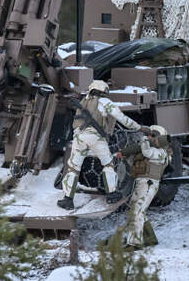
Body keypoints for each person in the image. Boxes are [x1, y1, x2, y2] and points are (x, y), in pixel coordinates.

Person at [57, 80, 141, 210]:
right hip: (96, 137)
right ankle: (112, 194)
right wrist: (138, 127)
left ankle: (67, 200)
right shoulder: (105, 102)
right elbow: (122, 118)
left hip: (79, 137)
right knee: (108, 164)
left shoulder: (83, 101)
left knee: (73, 168)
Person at [119, 125, 171, 249]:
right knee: (135, 209)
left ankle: (135, 243)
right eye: (150, 135)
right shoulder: (150, 148)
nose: (150, 137)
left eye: (153, 136)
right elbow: (138, 153)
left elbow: (146, 151)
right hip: (141, 183)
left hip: (149, 184)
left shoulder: (161, 152)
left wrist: (144, 139)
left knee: (137, 210)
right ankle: (150, 237)